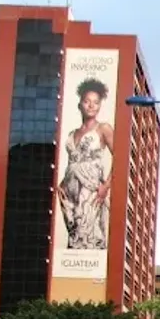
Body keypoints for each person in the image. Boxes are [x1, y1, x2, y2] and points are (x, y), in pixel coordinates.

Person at [57, 77, 115, 251]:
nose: (91, 105)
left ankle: (90, 276)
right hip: (69, 189)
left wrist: (106, 185)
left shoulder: (103, 128)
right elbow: (72, 162)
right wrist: (61, 185)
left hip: (90, 186)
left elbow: (120, 157)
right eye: (87, 101)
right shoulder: (72, 132)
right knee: (74, 233)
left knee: (87, 233)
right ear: (80, 104)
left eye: (96, 102)